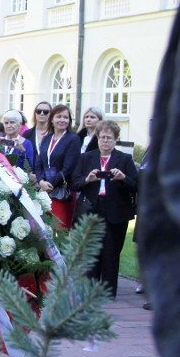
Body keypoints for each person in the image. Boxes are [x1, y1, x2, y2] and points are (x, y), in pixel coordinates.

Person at [71, 120, 137, 298]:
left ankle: (108, 291)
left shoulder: (124, 159)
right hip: (92, 207)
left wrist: (123, 178)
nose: (105, 141)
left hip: (116, 209)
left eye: (109, 138)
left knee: (111, 250)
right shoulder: (86, 158)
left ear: (116, 140)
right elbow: (75, 182)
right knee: (92, 250)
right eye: (102, 138)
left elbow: (136, 185)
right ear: (97, 139)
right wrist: (87, 179)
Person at [34, 104, 81, 229]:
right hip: (45, 190)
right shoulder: (46, 138)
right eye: (59, 116)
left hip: (61, 192)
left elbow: (68, 168)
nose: (62, 120)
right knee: (43, 229)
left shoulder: (73, 139)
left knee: (59, 229)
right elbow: (38, 163)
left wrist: (50, 184)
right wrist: (41, 181)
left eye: (66, 117)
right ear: (52, 119)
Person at [23, 100, 53, 177]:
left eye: (45, 112)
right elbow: (23, 156)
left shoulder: (54, 134)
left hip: (50, 177)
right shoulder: (27, 134)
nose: (42, 113)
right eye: (39, 111)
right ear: (35, 114)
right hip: (31, 176)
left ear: (51, 115)